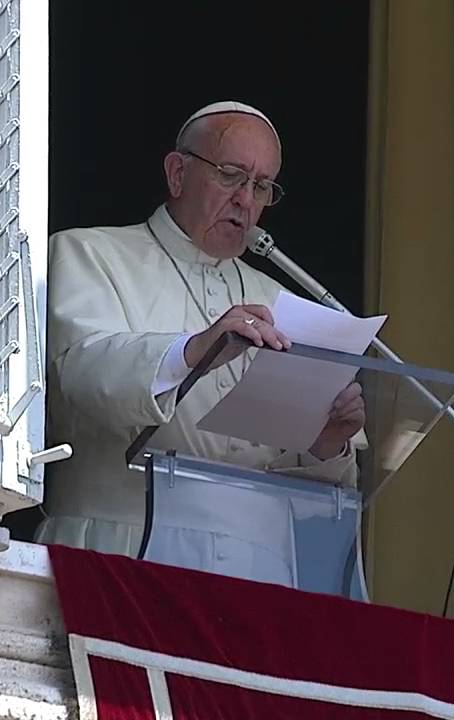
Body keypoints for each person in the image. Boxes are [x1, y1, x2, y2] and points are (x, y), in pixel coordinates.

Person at [35, 101, 365, 587]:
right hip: (121, 552)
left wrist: (324, 445)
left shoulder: (283, 302)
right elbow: (78, 378)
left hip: (261, 576)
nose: (246, 200)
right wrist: (195, 352)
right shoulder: (87, 254)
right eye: (232, 175)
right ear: (177, 173)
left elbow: (309, 494)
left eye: (261, 187)